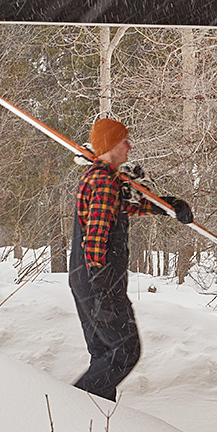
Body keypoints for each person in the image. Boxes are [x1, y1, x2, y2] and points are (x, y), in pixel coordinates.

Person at [69, 117, 193, 401]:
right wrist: (102, 291)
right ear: (112, 143)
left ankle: (92, 417)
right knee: (125, 350)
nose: (129, 145)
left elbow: (125, 207)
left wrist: (168, 206)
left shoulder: (102, 180)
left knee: (103, 353)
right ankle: (72, 403)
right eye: (124, 140)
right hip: (99, 281)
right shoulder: (102, 182)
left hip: (84, 279)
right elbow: (96, 239)